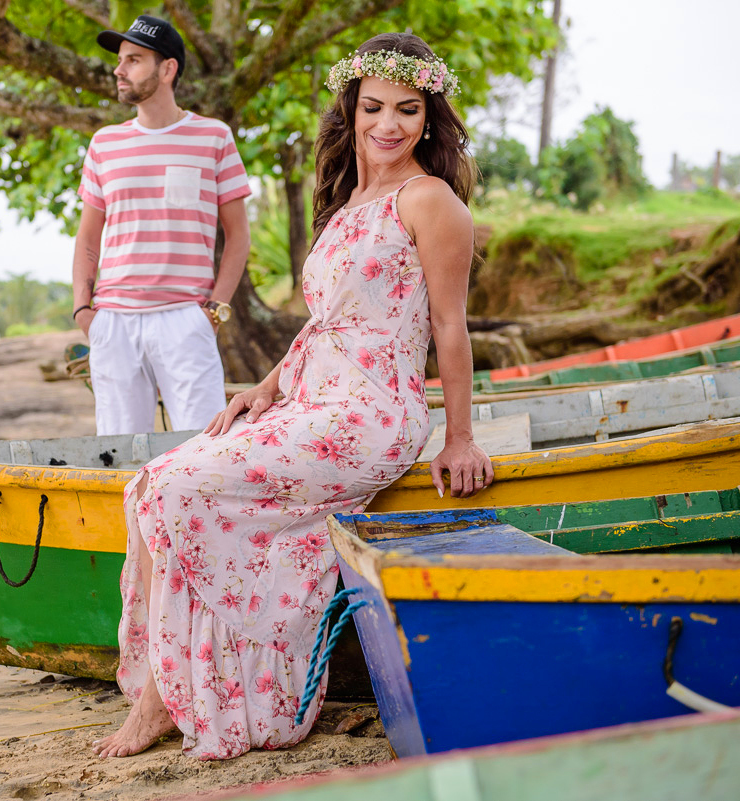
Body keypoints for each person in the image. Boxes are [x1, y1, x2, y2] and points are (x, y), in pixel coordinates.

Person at [91, 32, 493, 761]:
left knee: (177, 486)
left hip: (370, 415)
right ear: (351, 109)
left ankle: (160, 702)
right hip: (310, 400)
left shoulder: (430, 201)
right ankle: (166, 684)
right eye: (373, 107)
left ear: (430, 118)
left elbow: (449, 326)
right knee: (148, 482)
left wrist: (459, 436)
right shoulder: (349, 203)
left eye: (407, 110)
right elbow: (328, 320)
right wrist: (268, 385)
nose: (388, 124)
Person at [72, 14, 251, 436]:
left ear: (168, 69)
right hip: (114, 322)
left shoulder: (214, 137)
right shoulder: (104, 143)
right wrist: (84, 310)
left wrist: (214, 311)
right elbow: (88, 236)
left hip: (186, 319)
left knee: (202, 449)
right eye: (120, 60)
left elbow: (239, 235)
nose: (119, 70)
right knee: (117, 452)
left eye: (133, 60)